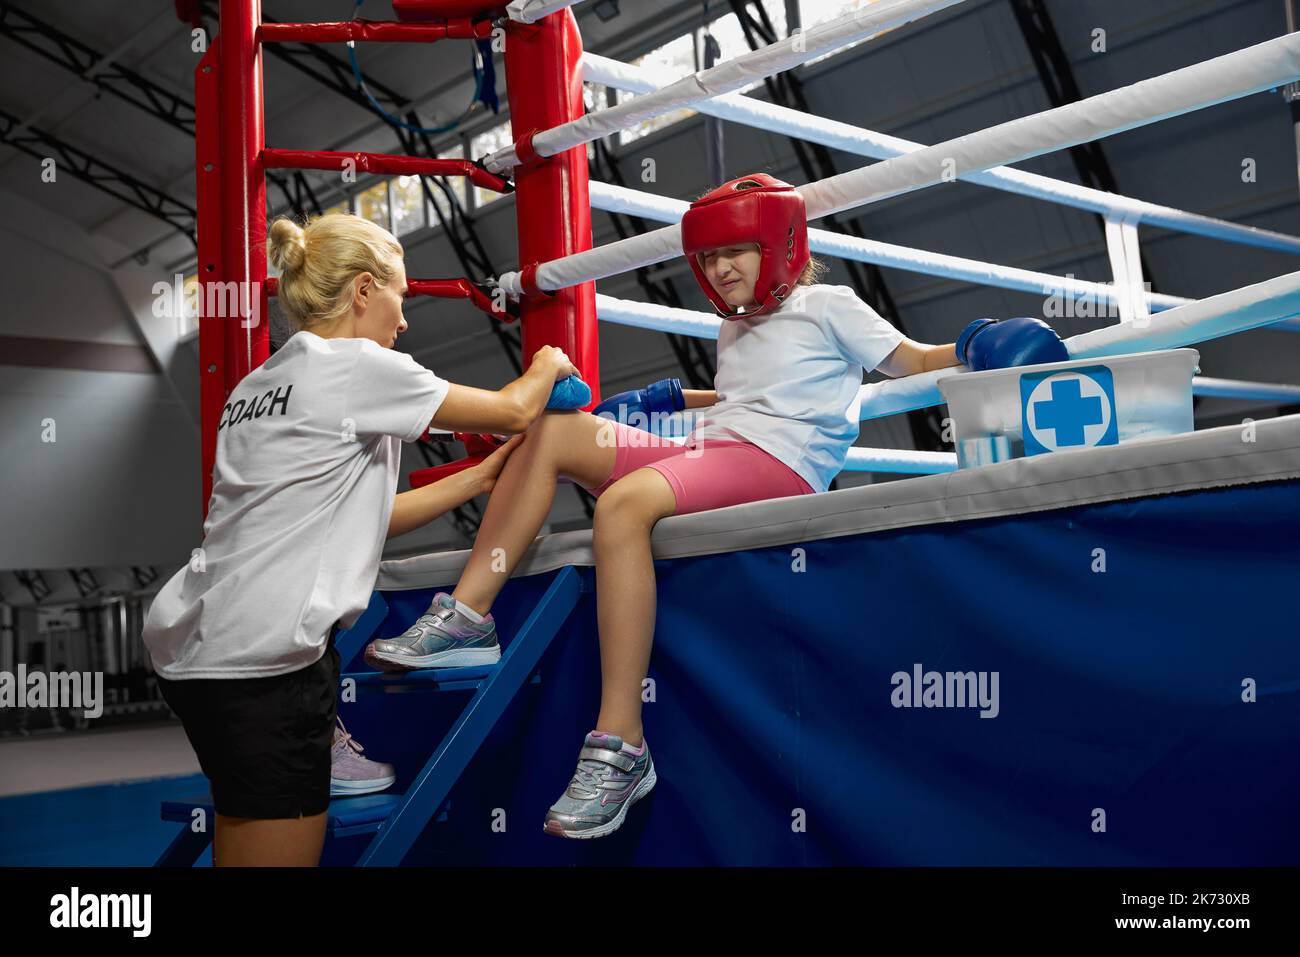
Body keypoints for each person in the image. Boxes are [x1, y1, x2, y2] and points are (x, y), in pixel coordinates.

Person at [364, 173, 1067, 840]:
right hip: (713, 446)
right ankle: (466, 617)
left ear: (781, 246)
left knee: (624, 505)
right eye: (710, 256)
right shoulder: (732, 326)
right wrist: (669, 400)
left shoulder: (830, 305)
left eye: (736, 250)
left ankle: (620, 744)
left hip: (779, 464)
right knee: (552, 431)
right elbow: (744, 397)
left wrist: (978, 343)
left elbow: (908, 360)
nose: (723, 268)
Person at [142, 212, 579, 865]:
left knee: (243, 827)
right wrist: (547, 362)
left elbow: (350, 516)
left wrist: (476, 479)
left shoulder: (258, 385)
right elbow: (515, 407)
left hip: (192, 648)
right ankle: (320, 748)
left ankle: (326, 749)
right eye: (400, 297)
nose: (404, 321)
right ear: (365, 290)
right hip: (267, 668)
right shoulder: (359, 366)